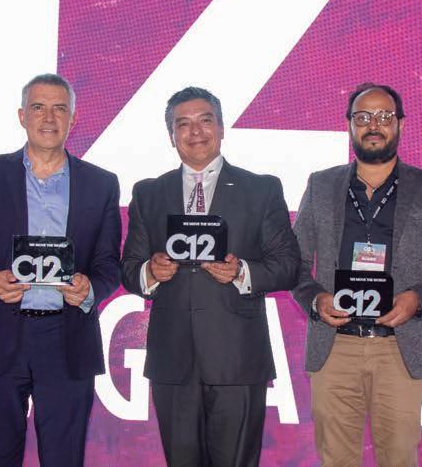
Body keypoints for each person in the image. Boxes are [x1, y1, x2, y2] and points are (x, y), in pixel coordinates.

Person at [120, 87, 299, 467]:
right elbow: (130, 269)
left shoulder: (261, 188)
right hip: (172, 360)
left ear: (221, 127)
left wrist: (242, 272)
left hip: (238, 358)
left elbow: (287, 265)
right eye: (182, 124)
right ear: (171, 135)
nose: (195, 131)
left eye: (205, 120)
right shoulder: (149, 193)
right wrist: (150, 271)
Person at [292, 83, 422, 467]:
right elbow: (295, 262)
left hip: (399, 348)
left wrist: (418, 299)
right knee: (336, 461)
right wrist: (316, 300)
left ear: (401, 124)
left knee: (399, 460)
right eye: (363, 117)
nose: (374, 125)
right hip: (335, 346)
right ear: (350, 125)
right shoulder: (321, 185)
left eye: (384, 116)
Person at [0, 73, 122, 467]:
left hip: (67, 339)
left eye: (59, 109)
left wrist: (90, 288)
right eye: (38, 107)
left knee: (65, 458)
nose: (48, 117)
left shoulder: (101, 184)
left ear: (73, 118)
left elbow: (108, 264)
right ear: (21, 115)